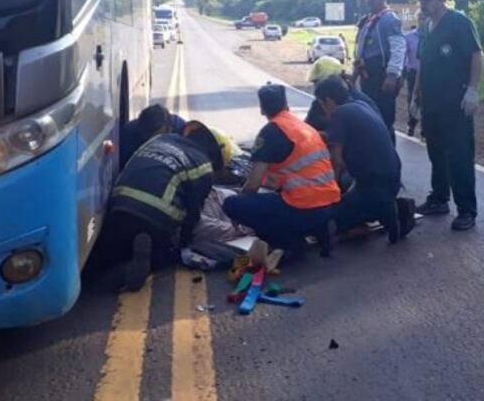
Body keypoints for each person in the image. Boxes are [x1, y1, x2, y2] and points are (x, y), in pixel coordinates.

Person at [89, 121, 232, 291]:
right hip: (156, 221)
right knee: (164, 256)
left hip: (120, 207)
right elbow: (192, 216)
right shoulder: (203, 166)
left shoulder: (160, 139)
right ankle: (134, 271)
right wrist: (183, 244)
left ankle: (100, 269)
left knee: (104, 259)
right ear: (216, 157)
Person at [223, 84, 341, 255]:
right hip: (330, 201)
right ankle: (319, 229)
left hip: (304, 206)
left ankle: (288, 243)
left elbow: (252, 186)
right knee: (277, 200)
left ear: (262, 109)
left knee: (233, 204)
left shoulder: (271, 132)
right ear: (286, 105)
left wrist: (240, 196)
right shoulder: (302, 127)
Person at [412, 0, 484, 231]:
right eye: (420, 0)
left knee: (459, 156)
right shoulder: (425, 26)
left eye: (426, 0)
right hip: (432, 102)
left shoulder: (459, 23)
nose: (422, 4)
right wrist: (416, 97)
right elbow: (423, 62)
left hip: (454, 102)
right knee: (436, 153)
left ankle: (466, 210)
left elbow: (477, 55)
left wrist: (473, 90)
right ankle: (439, 199)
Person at [314, 75, 416, 243]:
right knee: (351, 190)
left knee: (330, 219)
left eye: (322, 104)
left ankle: (392, 210)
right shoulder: (360, 104)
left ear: (329, 100)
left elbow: (336, 161)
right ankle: (385, 206)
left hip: (372, 185)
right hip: (391, 176)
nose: (323, 109)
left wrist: (329, 192)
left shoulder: (339, 115)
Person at [354, 0, 405, 142]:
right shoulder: (367, 21)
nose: (369, 1)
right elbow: (360, 51)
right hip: (367, 76)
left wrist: (392, 75)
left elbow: (398, 47)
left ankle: (389, 160)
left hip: (381, 76)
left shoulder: (389, 19)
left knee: (384, 122)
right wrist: (354, 74)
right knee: (370, 120)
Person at [304, 56, 381, 133]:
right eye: (315, 83)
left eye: (319, 82)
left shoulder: (357, 102)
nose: (317, 87)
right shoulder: (322, 101)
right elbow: (307, 125)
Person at [119, 104, 187, 169]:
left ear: (169, 128)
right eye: (149, 136)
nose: (153, 141)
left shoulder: (182, 132)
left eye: (157, 137)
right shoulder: (128, 134)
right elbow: (125, 166)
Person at [403, 24, 420, 136]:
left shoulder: (432, 34)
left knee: (427, 99)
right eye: (421, 18)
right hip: (413, 72)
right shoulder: (409, 37)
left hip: (429, 72)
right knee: (413, 98)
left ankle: (426, 128)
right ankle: (411, 124)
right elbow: (404, 55)